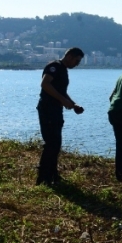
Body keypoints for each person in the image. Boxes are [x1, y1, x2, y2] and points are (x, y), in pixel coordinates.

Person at [36, 48, 85, 186]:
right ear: (69, 56)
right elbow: (45, 84)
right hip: (47, 109)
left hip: (56, 110)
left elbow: (61, 92)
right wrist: (63, 101)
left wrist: (73, 104)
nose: (77, 64)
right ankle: (43, 177)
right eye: (77, 60)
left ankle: (52, 175)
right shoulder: (54, 67)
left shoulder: (63, 70)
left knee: (55, 144)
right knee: (52, 143)